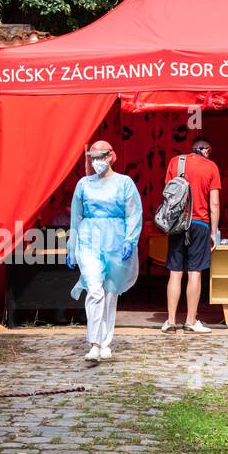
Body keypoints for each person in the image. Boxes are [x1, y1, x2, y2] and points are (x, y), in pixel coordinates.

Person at [66, 139, 142, 361]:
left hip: (115, 240)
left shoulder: (124, 183)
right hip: (90, 238)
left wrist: (130, 239)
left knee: (110, 292)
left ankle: (105, 341)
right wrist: (72, 246)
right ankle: (94, 342)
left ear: (111, 156)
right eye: (94, 158)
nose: (97, 162)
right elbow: (75, 217)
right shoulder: (84, 184)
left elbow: (133, 213)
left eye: (101, 157)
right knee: (95, 289)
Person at [163, 137, 221, 333]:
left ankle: (170, 321)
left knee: (175, 272)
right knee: (195, 271)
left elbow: (168, 195)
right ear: (206, 149)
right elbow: (214, 203)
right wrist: (214, 232)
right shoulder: (211, 167)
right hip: (200, 223)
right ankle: (190, 321)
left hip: (177, 223)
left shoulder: (175, 162)